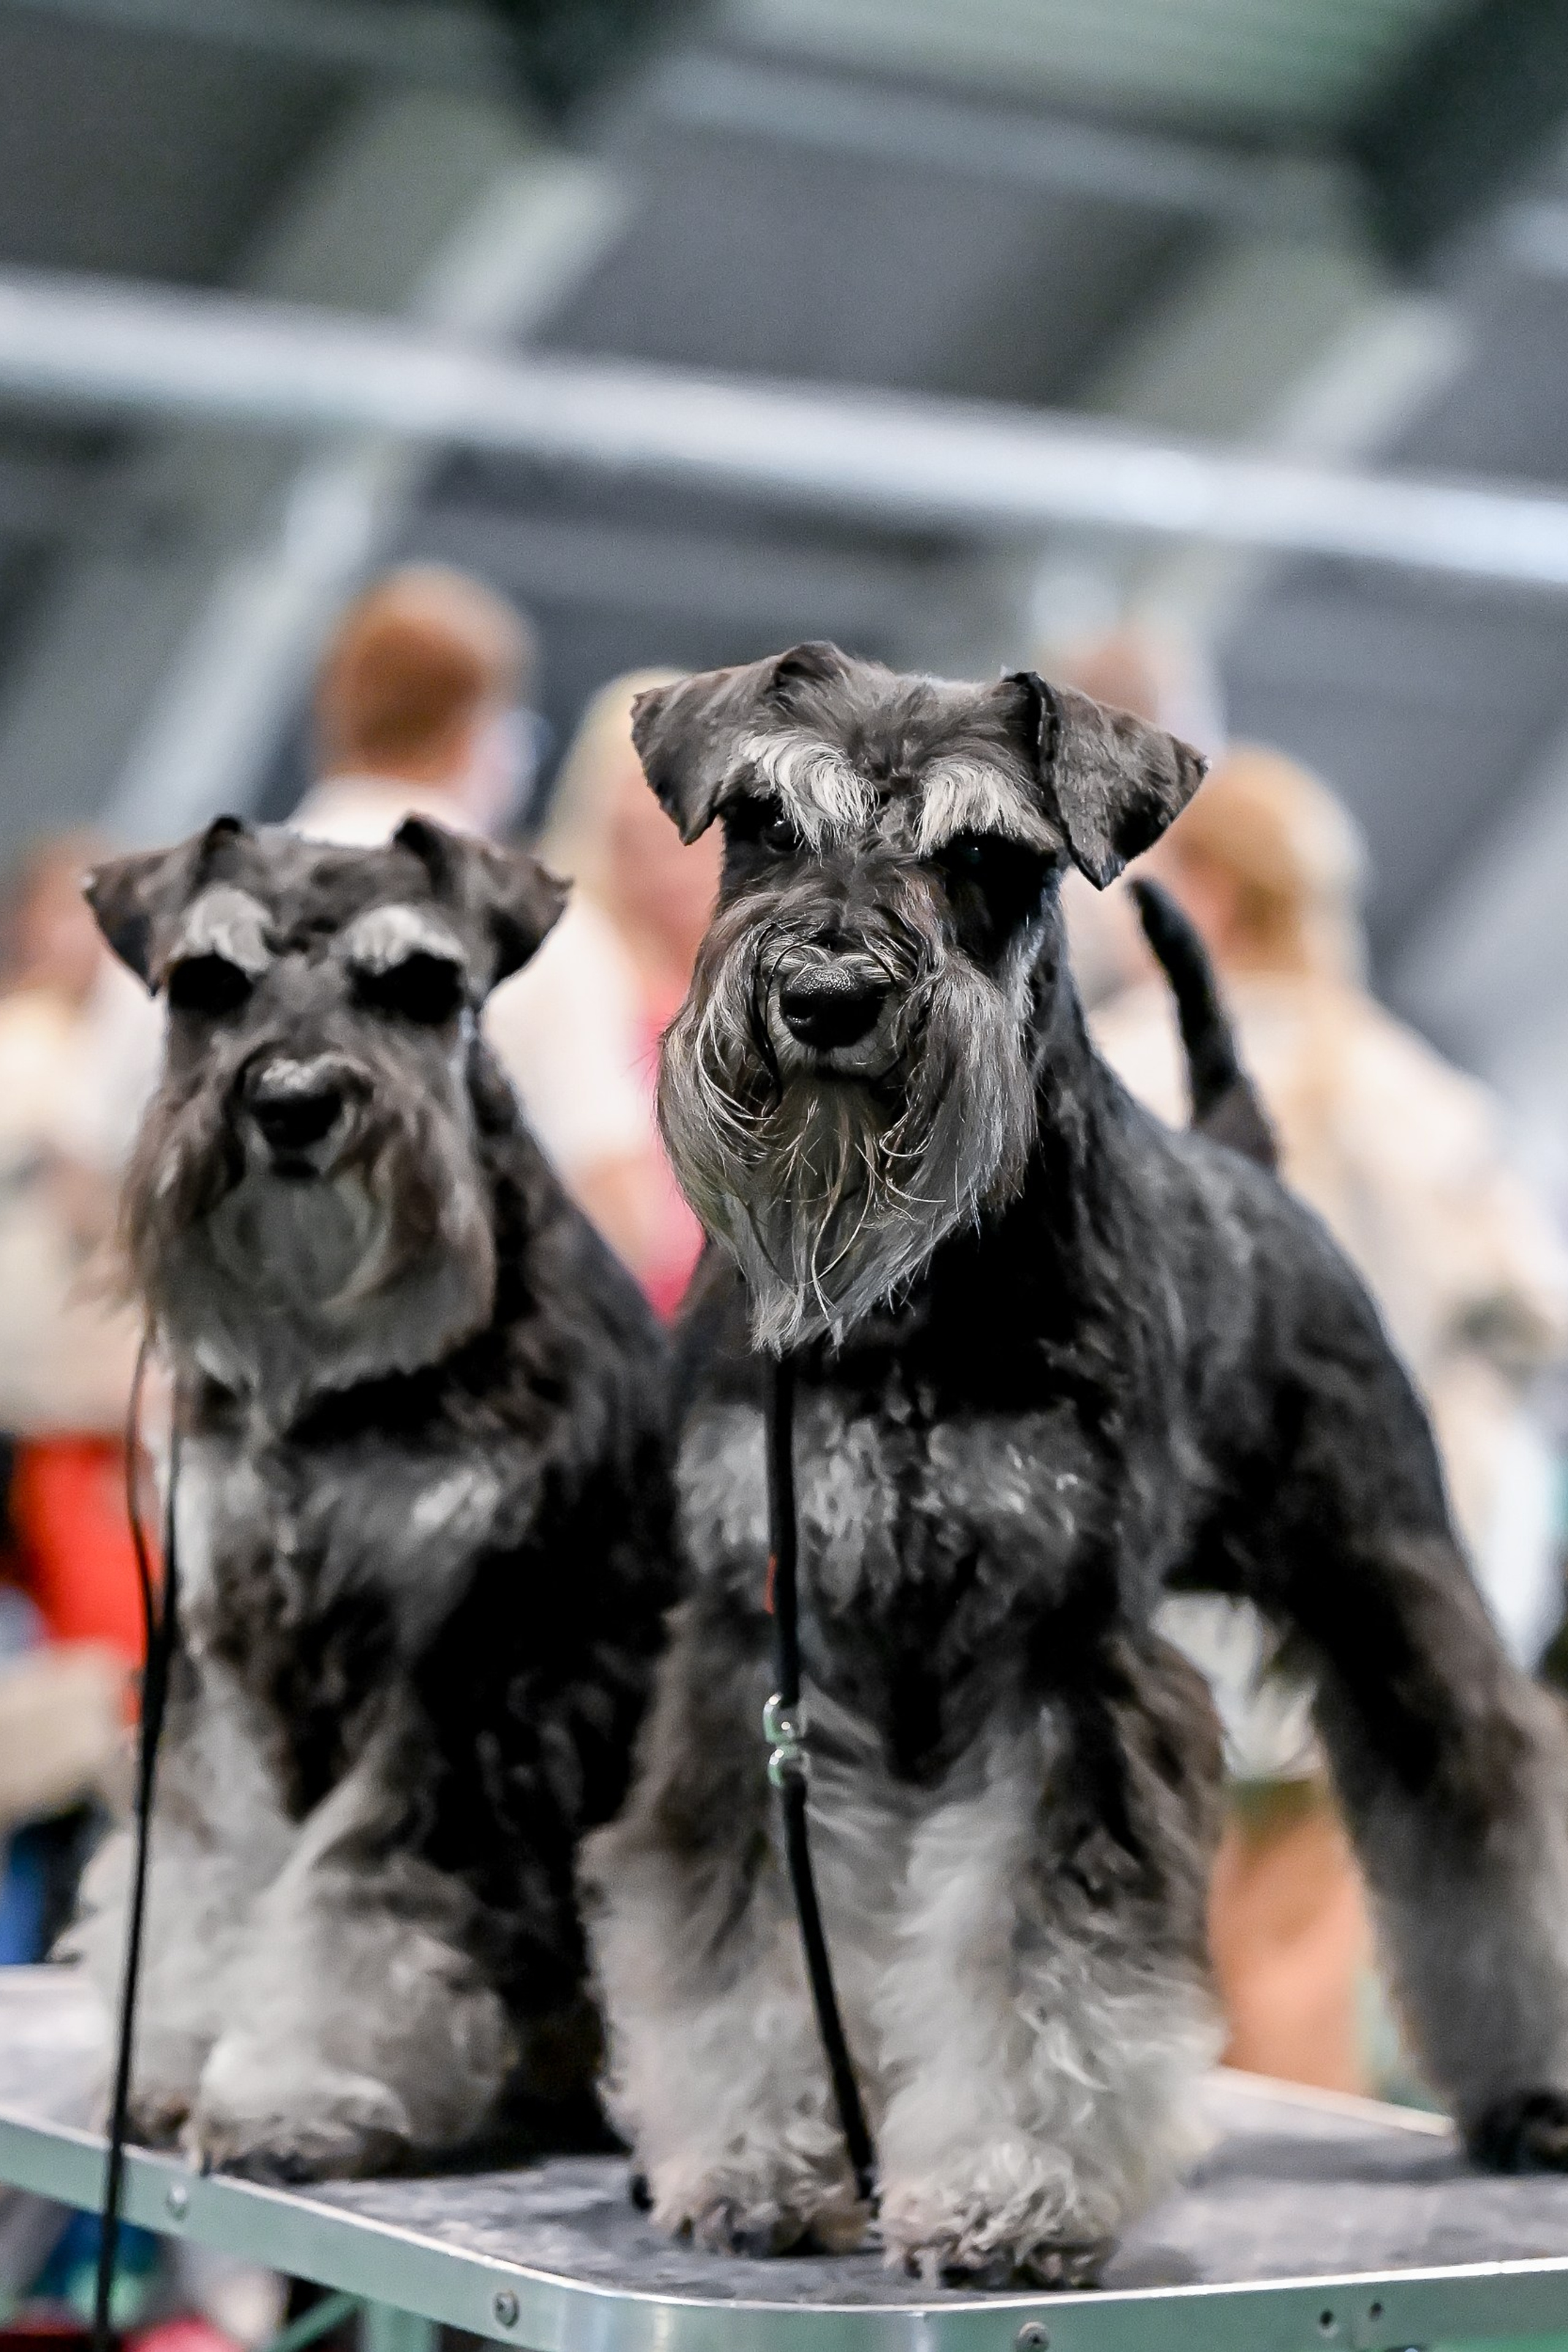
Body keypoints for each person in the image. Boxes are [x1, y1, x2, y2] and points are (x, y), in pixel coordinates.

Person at [1093, 742, 1568, 2092]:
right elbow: (1535, 1312)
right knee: (1307, 1923)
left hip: (1171, 1567)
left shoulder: (1118, 1071)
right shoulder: (1410, 1086)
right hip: (1385, 1555)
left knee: (1171, 1912)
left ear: (1208, 894)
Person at [290, 568, 662, 1286]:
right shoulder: (535, 929)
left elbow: (97, 1175)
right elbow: (617, 1213)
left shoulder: (206, 899)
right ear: (482, 733)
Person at [492, 671, 720, 1316]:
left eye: (690, 839)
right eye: (639, 838)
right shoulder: (569, 968)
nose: (669, 869)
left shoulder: (770, 987)